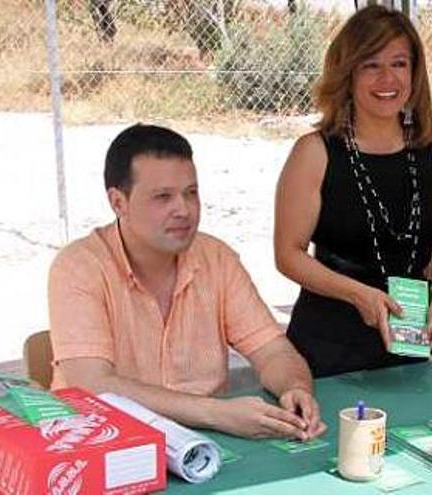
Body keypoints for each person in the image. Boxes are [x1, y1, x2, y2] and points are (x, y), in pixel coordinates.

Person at [49, 124, 325, 440]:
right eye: (163, 197)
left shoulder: (217, 258)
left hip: (207, 443)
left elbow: (274, 352)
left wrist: (295, 389)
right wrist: (216, 413)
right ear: (118, 202)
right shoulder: (79, 266)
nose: (183, 209)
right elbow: (93, 385)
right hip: (101, 442)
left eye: (191, 193)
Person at [275, 5, 432, 377]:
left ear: (414, 72)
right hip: (334, 340)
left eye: (398, 63)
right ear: (347, 74)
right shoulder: (314, 152)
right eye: (371, 65)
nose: (387, 79)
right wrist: (358, 294)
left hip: (421, 331)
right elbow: (288, 254)